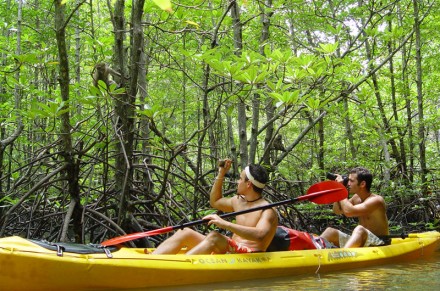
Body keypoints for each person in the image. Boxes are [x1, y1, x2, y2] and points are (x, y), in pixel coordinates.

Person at [152, 159, 278, 254]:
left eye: (240, 179)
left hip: (250, 255)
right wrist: (221, 173)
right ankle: (152, 262)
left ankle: (178, 269)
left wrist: (225, 224)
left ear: (249, 184)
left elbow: (260, 235)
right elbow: (215, 201)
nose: (237, 182)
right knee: (184, 232)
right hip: (232, 249)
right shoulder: (238, 201)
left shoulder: (267, 209)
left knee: (214, 237)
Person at [320, 167, 389, 248]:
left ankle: (343, 257)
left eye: (351, 181)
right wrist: (338, 189)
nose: (348, 183)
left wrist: (340, 188)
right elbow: (337, 210)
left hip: (379, 242)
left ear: (362, 184)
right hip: (363, 240)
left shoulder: (376, 200)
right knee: (330, 231)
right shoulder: (356, 198)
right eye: (348, 180)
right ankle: (313, 254)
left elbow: (349, 212)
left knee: (360, 229)